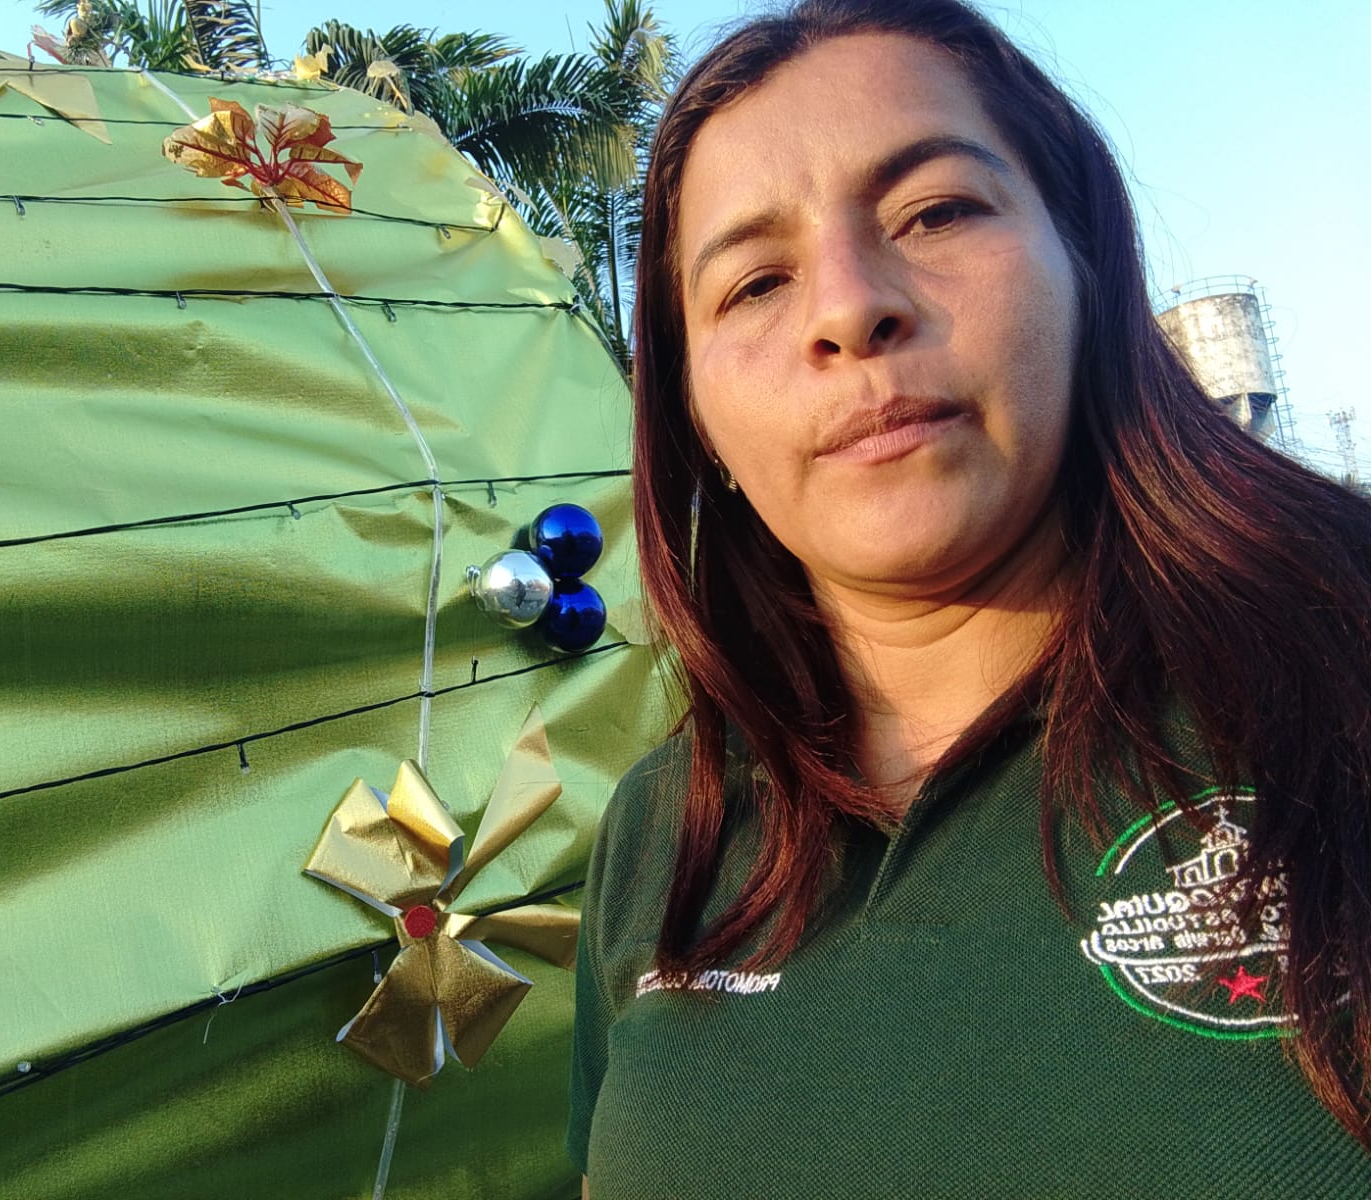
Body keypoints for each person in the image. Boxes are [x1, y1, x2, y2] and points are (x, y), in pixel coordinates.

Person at [566, 0, 1371, 1195]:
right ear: (695, 418)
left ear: (1084, 262)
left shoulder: (1335, 678)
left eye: (935, 211)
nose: (848, 309)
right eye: (754, 283)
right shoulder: (663, 829)